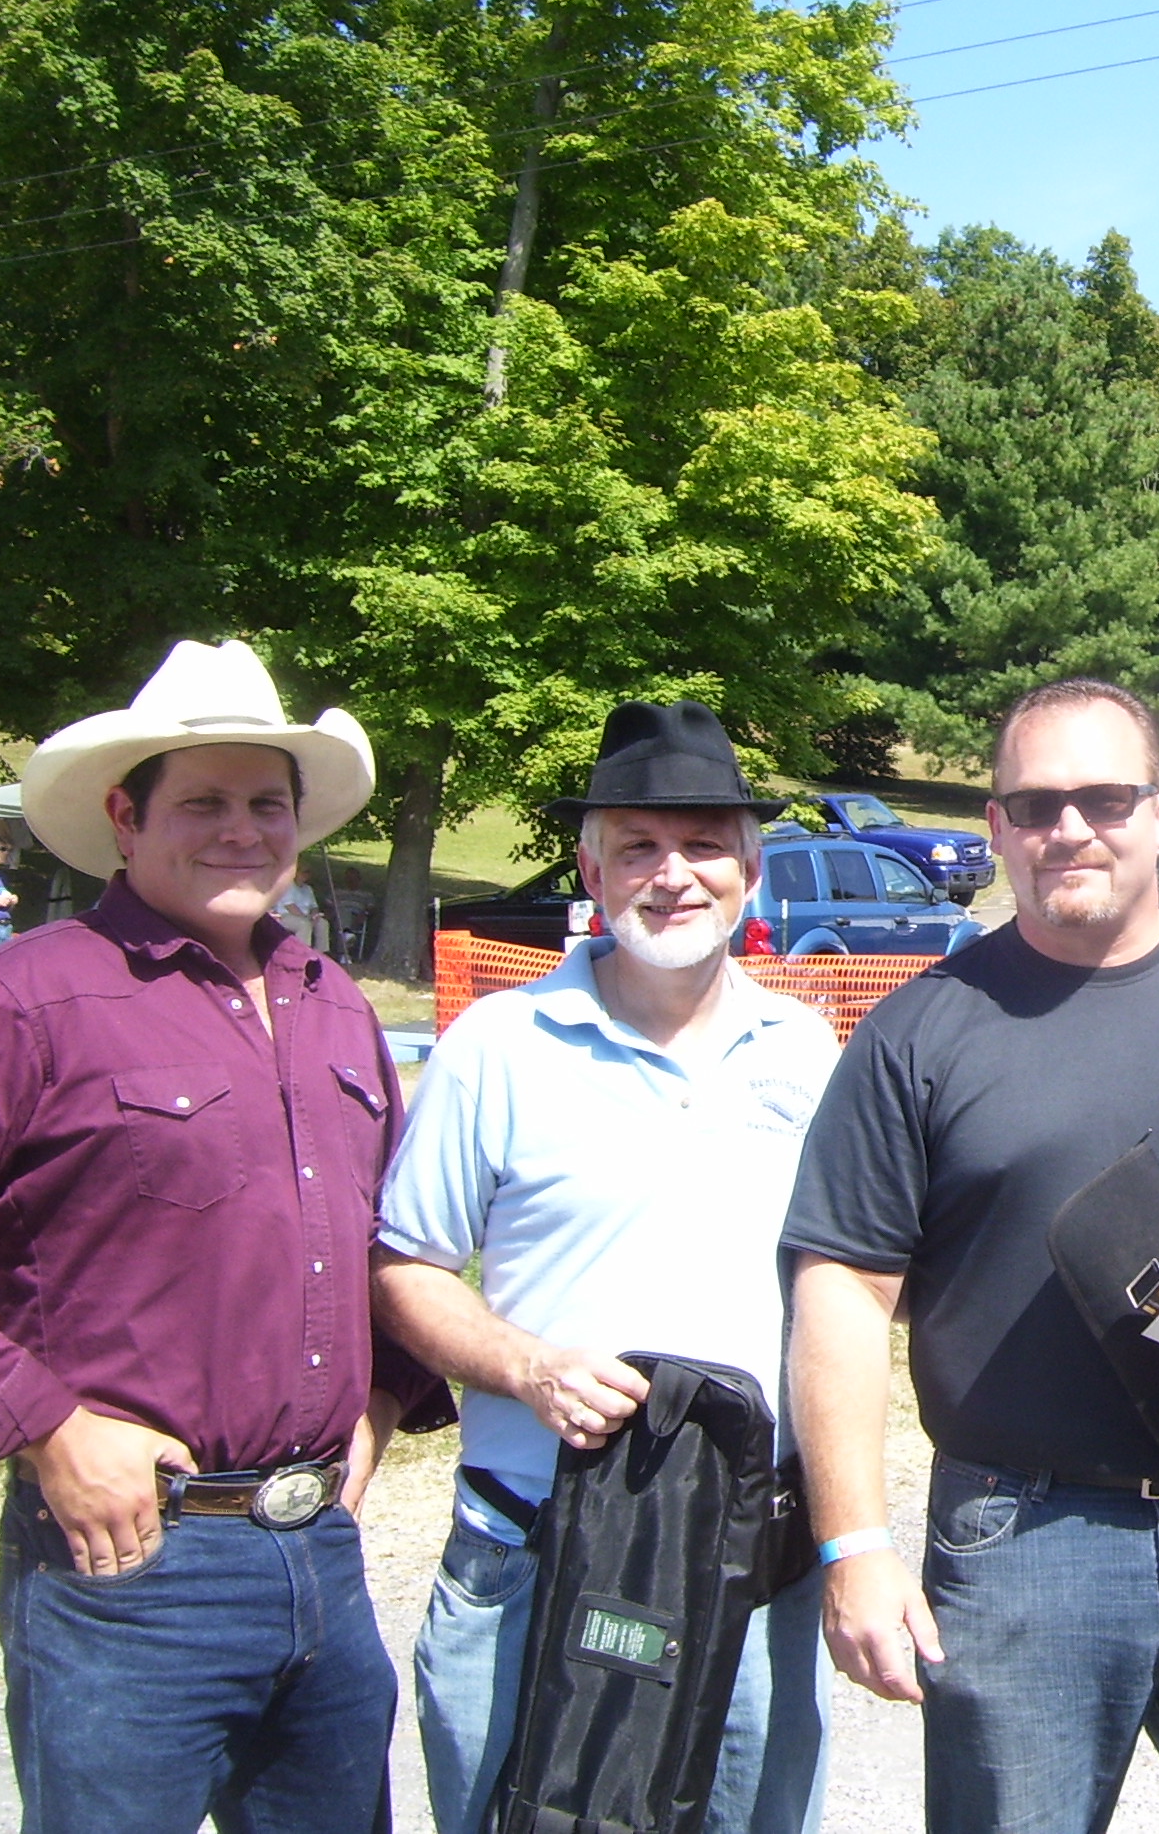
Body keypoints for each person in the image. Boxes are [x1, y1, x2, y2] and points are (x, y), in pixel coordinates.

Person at [783, 677, 1159, 1834]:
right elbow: (842, 1290)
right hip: (1019, 1545)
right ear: (994, 827)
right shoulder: (917, 1034)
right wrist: (852, 1545)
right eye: (1035, 804)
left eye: (1103, 797)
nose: (1069, 830)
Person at [0, 638, 448, 1834]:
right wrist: (43, 1428)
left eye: (264, 803)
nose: (240, 829)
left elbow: (393, 1237)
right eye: (202, 802)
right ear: (125, 819)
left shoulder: (334, 1005)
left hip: (321, 1557)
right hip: (126, 1564)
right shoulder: (22, 1000)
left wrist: (388, 1398)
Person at [371, 700, 842, 1834]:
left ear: (751, 866)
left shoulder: (805, 1053)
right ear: (589, 864)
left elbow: (851, 1290)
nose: (670, 874)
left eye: (702, 844)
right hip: (528, 1547)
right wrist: (527, 1367)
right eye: (636, 844)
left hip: (747, 1560)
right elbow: (404, 1271)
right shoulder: (497, 1046)